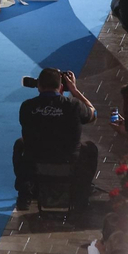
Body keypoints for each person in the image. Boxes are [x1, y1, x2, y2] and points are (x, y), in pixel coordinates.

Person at [12, 67, 98, 214]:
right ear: (61, 86)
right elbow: (93, 113)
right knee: (90, 148)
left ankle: (25, 194)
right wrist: (74, 90)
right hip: (68, 162)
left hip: (36, 163)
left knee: (20, 144)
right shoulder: (74, 106)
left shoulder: (27, 107)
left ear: (39, 85)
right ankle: (82, 194)